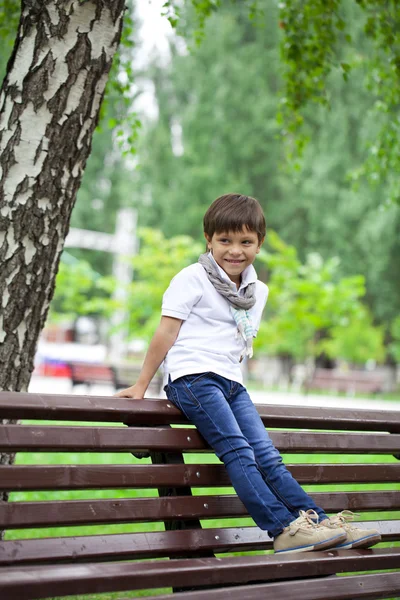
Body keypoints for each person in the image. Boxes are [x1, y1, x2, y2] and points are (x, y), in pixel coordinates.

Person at [116, 193, 381, 554]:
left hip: (232, 383)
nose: (234, 251)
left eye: (245, 242)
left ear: (259, 244)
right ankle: (284, 530)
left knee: (268, 457)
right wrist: (142, 385)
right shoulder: (192, 278)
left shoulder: (258, 291)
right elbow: (166, 332)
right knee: (238, 451)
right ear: (208, 240)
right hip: (193, 379)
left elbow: (238, 344)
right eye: (224, 240)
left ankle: (320, 523)